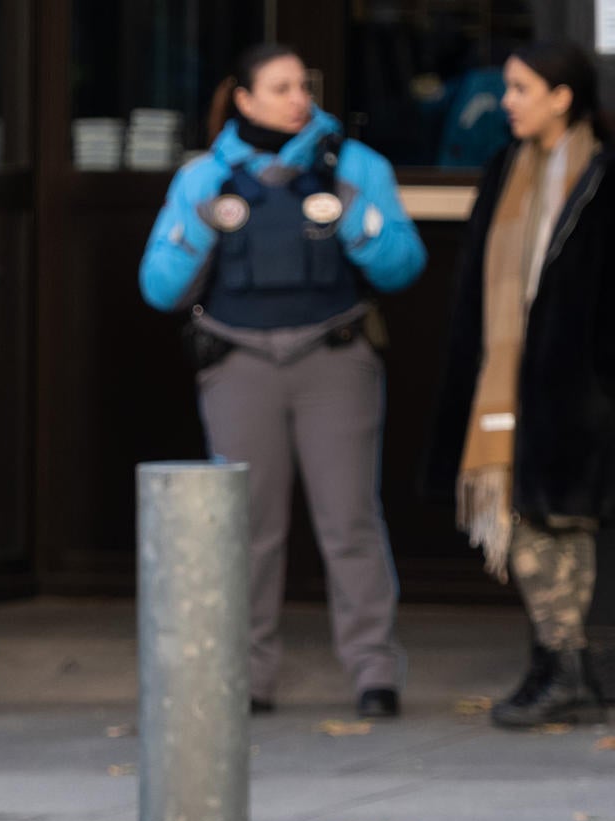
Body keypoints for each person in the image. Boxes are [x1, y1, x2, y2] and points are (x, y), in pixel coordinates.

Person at [139, 44, 426, 718]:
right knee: (246, 527)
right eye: (280, 87)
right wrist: (205, 224)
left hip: (333, 358)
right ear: (244, 99)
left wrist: (352, 213)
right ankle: (246, 675)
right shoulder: (205, 176)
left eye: (304, 86)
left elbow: (403, 267)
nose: (298, 99)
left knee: (349, 521)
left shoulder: (355, 167)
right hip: (240, 363)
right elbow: (159, 288)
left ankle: (373, 673)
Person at [426, 40, 613, 728]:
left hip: (576, 388)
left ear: (562, 97)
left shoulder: (601, 173)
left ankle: (560, 665)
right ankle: (562, 662)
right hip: (506, 380)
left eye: (520, 89)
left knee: (559, 524)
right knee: (529, 521)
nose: (505, 102)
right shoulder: (505, 166)